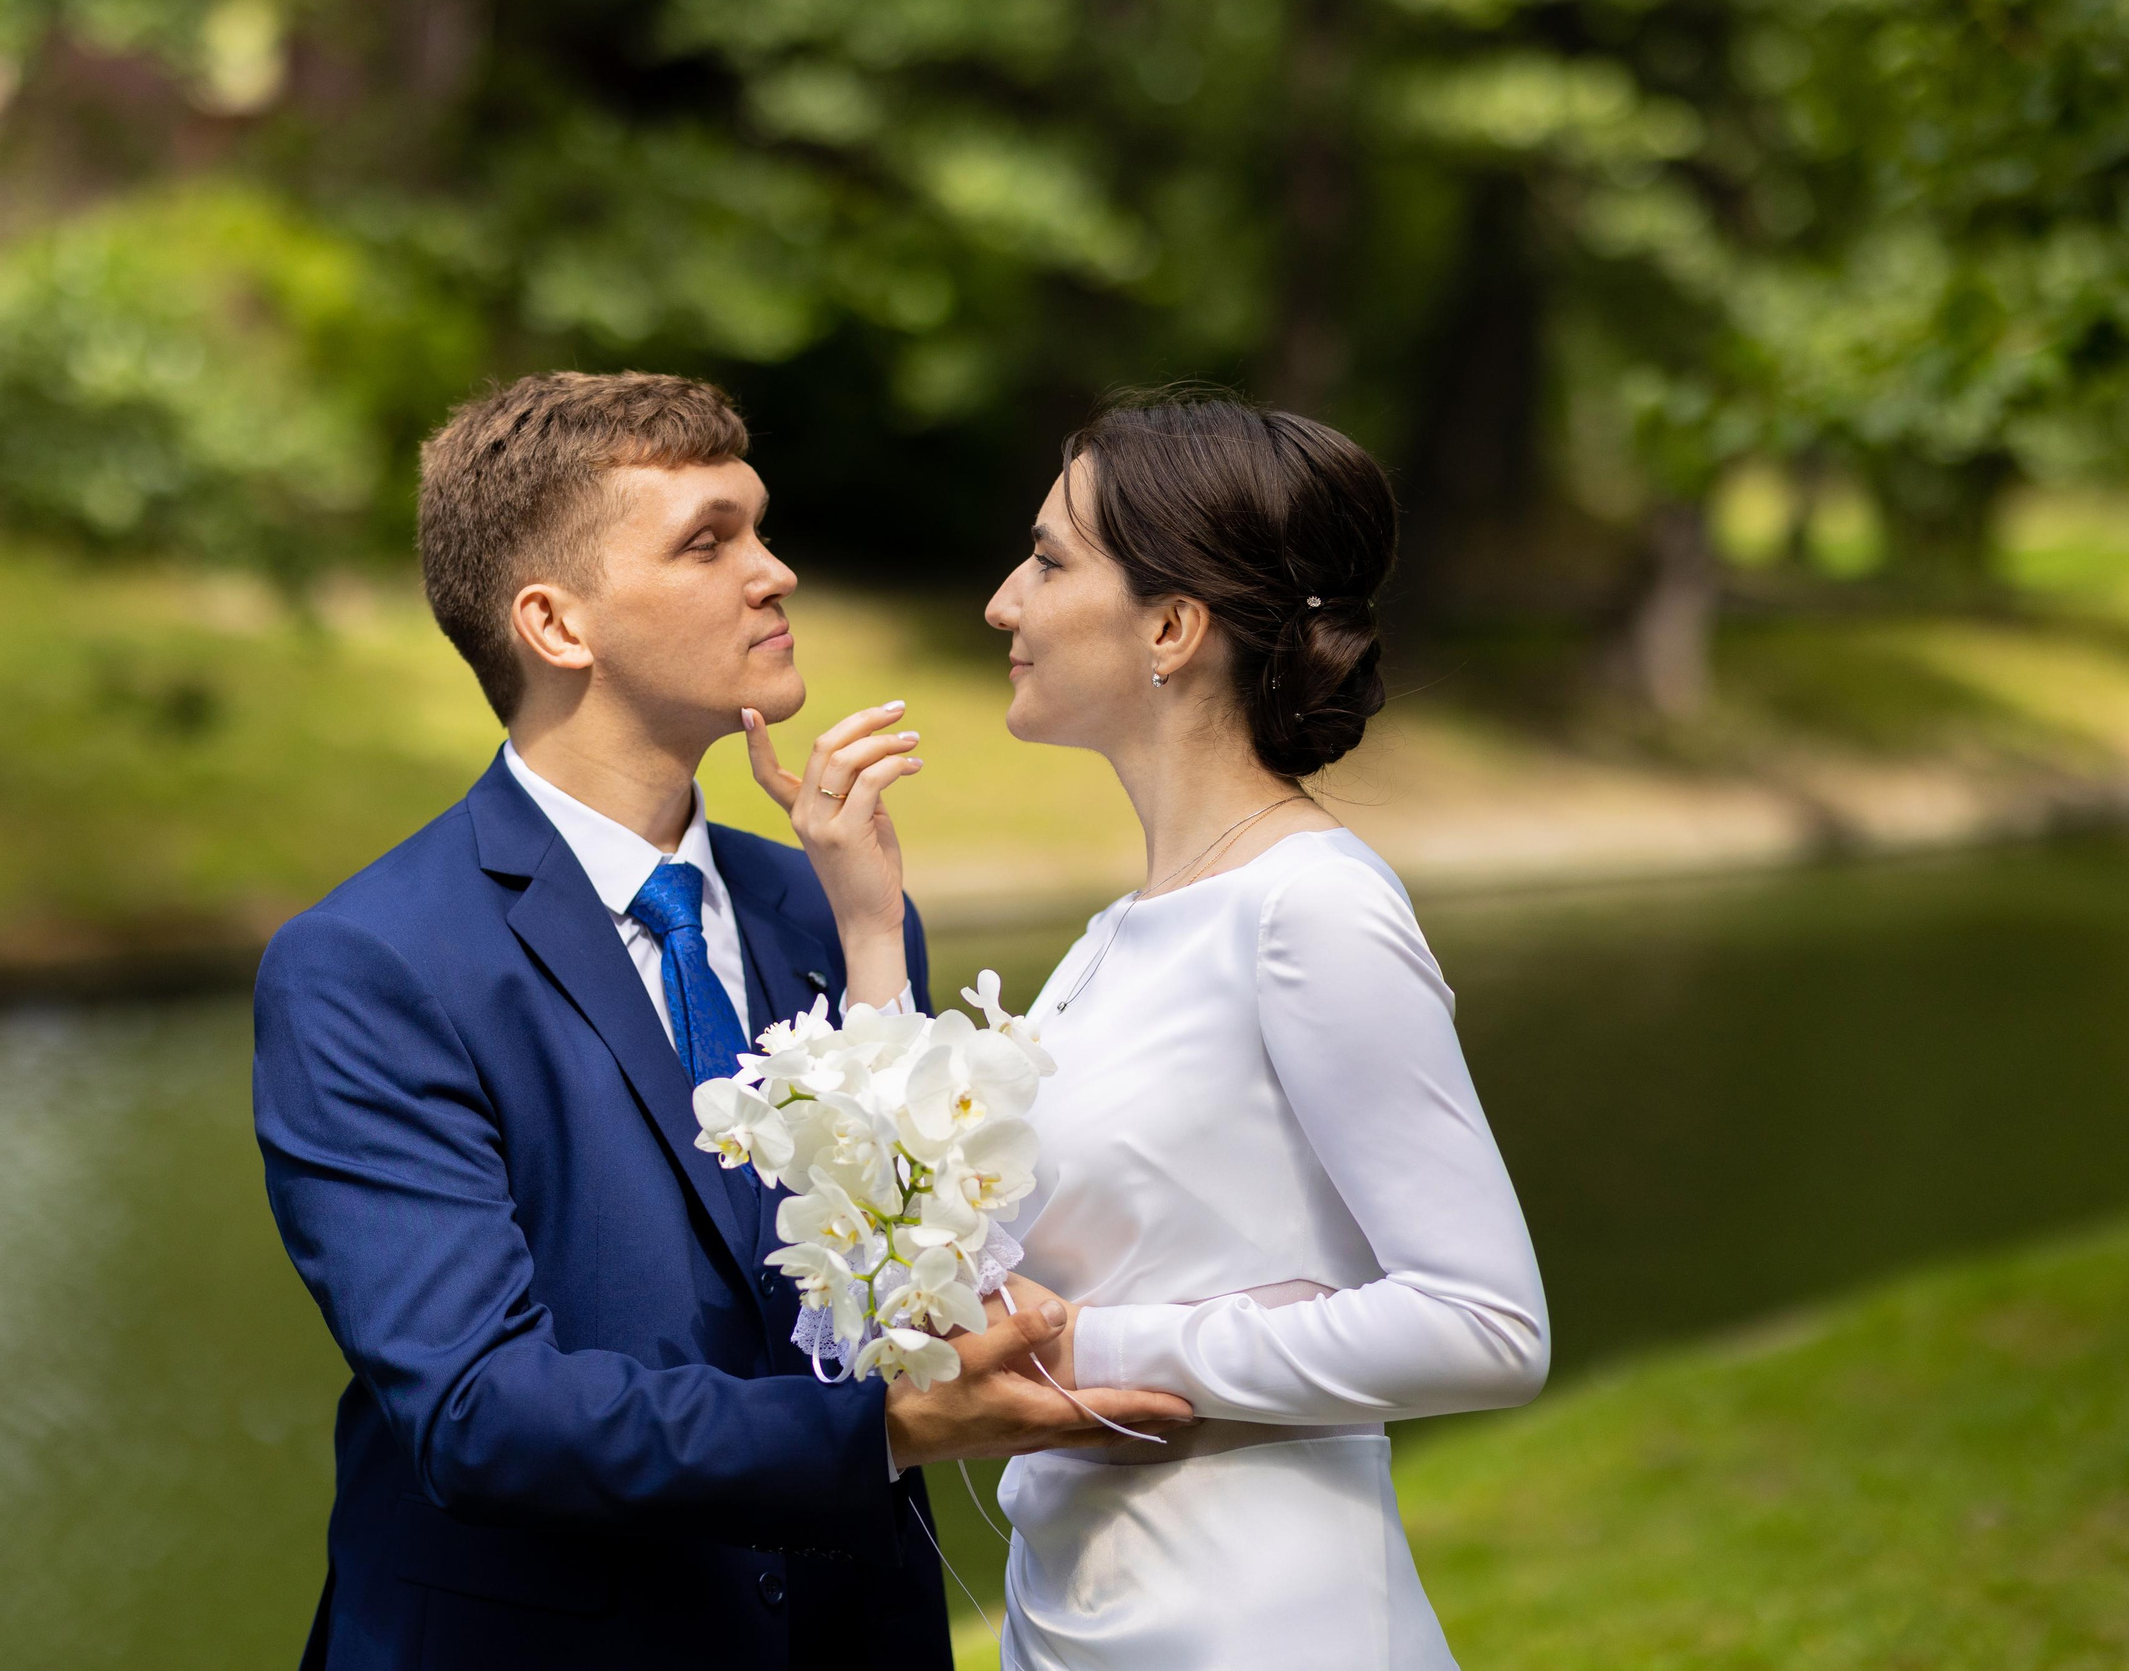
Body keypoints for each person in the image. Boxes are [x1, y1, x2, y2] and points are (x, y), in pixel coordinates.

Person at [251, 371, 1193, 1671]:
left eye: (760, 525)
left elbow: (910, 1290)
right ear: (555, 622)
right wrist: (886, 1428)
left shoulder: (835, 909)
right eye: (710, 539)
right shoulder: (368, 964)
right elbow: (477, 1409)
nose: (777, 571)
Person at [760, 391, 1552, 1669]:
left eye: (1048, 560)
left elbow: (1486, 1324)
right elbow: (954, 1261)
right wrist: (866, 925)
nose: (1002, 603)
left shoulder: (1314, 907)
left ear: (1172, 628)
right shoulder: (1116, 936)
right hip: (1077, 1603)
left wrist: (1094, 1345)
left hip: (1258, 1619)